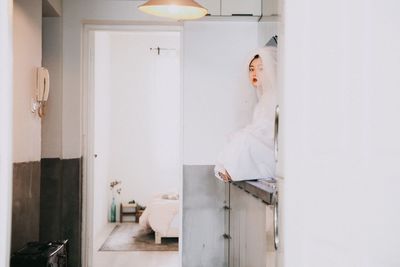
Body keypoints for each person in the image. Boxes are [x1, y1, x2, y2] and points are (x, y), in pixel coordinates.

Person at [215, 46, 277, 182]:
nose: (254, 73)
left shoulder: (275, 96)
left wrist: (251, 133)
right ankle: (228, 170)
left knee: (245, 139)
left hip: (271, 147)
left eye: (261, 69)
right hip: (262, 141)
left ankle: (232, 171)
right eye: (251, 69)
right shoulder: (263, 97)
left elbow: (270, 128)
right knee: (235, 136)